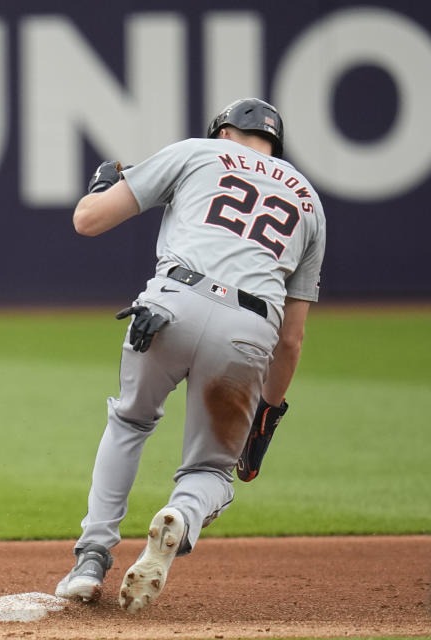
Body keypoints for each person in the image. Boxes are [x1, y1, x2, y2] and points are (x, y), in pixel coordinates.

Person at [55, 98, 325, 610]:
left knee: (131, 423)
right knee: (212, 473)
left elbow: (88, 221)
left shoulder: (197, 152)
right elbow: (292, 339)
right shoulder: (309, 200)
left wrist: (102, 189)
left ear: (224, 133)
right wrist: (268, 410)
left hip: (170, 307)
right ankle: (182, 513)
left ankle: (90, 561)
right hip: (248, 331)